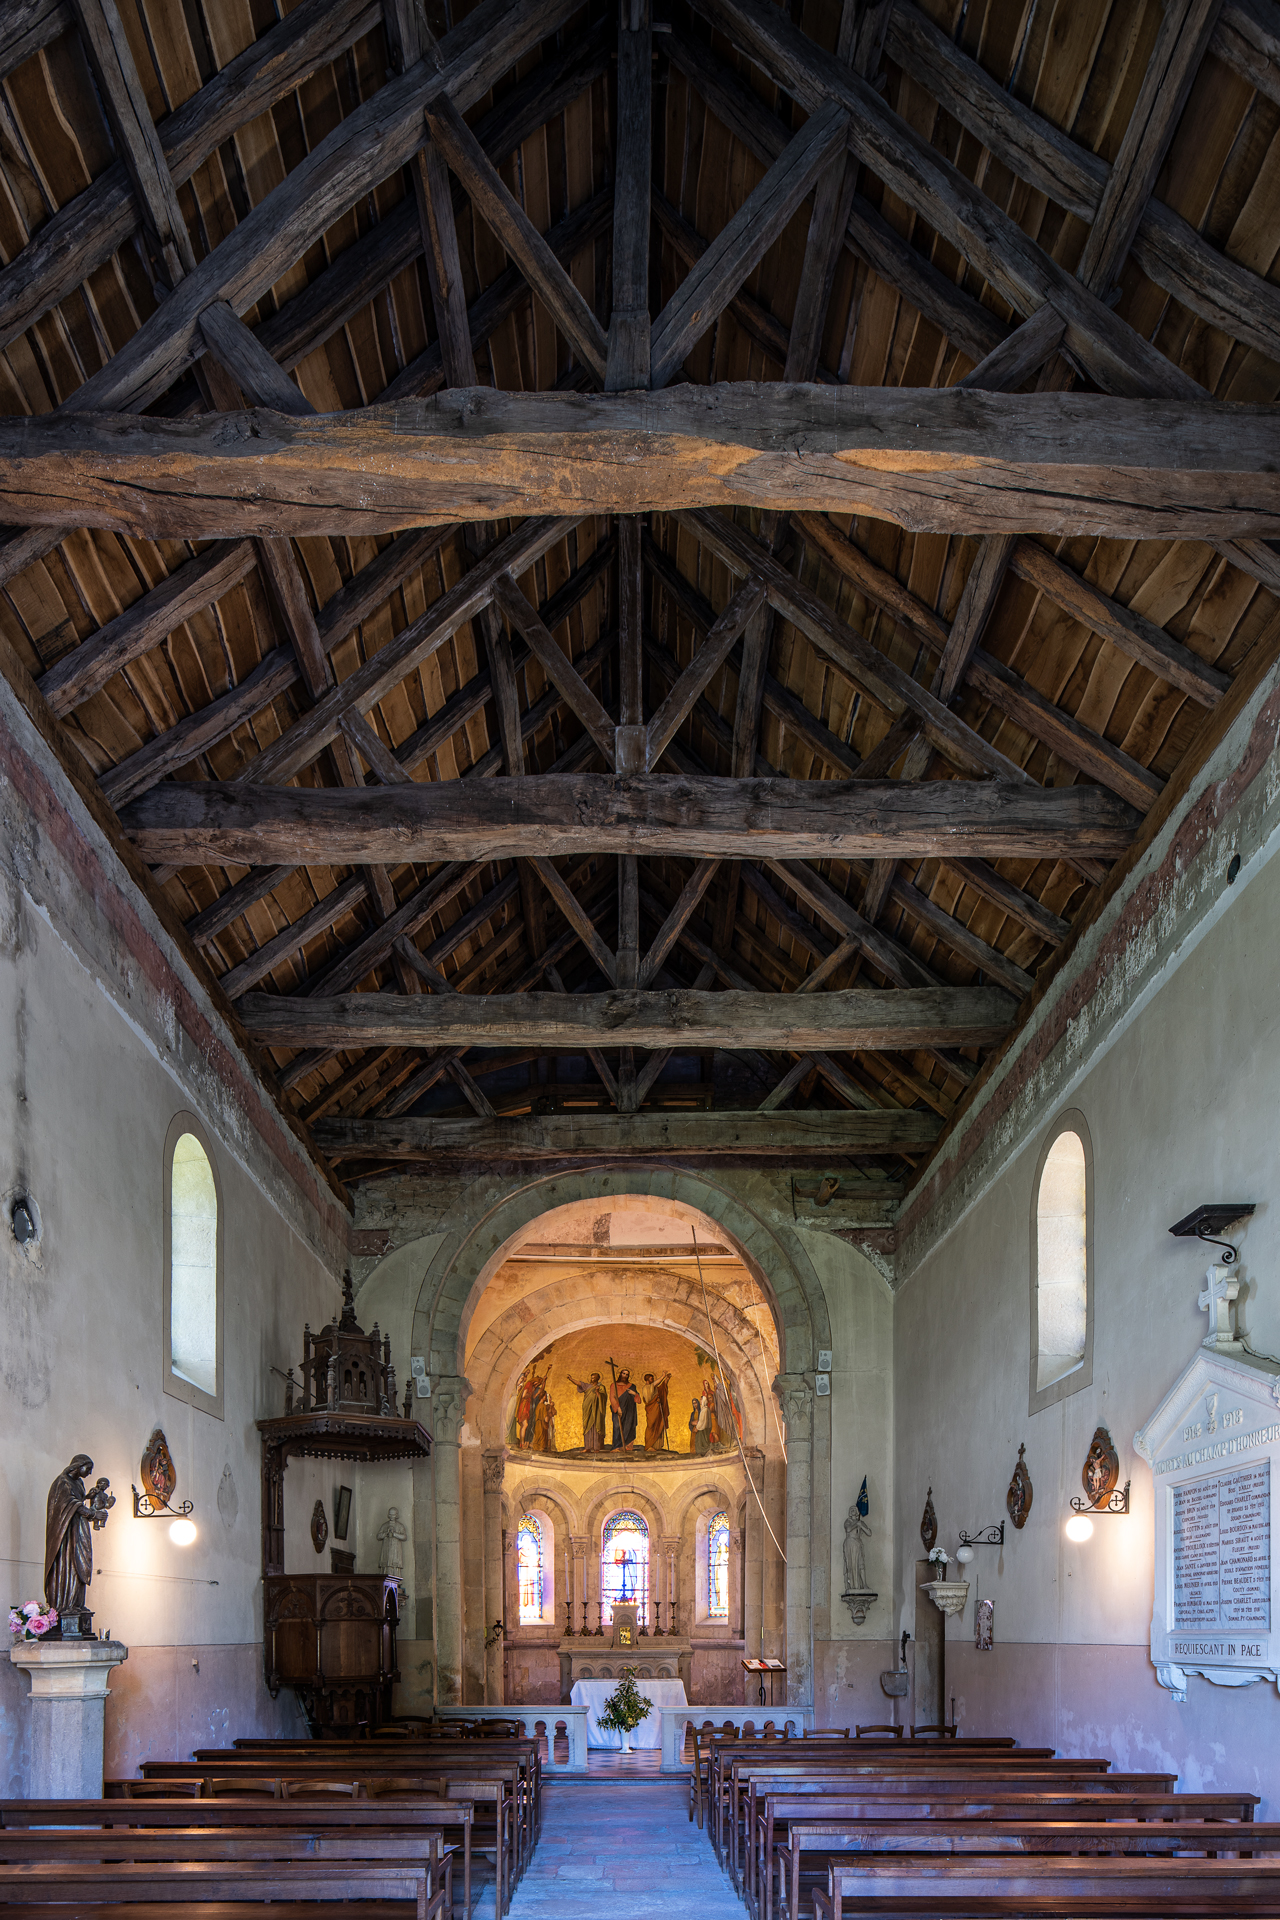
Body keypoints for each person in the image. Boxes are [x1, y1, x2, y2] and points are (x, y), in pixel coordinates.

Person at [570, 1371, 608, 1452]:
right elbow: (579, 1383)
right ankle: (587, 1447)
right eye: (592, 1377)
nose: (592, 1379)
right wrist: (570, 1379)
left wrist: (597, 1392)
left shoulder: (601, 1387)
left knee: (596, 1426)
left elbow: (604, 1398)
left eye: (594, 1378)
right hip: (587, 1409)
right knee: (587, 1426)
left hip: (597, 1411)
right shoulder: (587, 1386)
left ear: (598, 1378)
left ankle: (597, 1448)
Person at [607, 1362, 640, 1452]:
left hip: (629, 1412)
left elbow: (638, 1400)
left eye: (627, 1374)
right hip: (618, 1409)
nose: (625, 1375)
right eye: (623, 1373)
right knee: (617, 1427)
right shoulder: (614, 1385)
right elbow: (612, 1397)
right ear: (620, 1374)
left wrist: (634, 1393)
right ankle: (616, 1447)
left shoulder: (632, 1386)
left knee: (629, 1427)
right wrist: (617, 1408)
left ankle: (626, 1446)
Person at [642, 1370, 671, 1451]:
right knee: (651, 1426)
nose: (652, 1380)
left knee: (658, 1424)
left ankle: (656, 1446)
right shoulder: (646, 1387)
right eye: (651, 1379)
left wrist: (666, 1380)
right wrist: (662, 1376)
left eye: (653, 1378)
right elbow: (656, 1384)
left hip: (657, 1408)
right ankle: (648, 1446)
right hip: (651, 1410)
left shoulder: (654, 1388)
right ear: (647, 1380)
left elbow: (661, 1389)